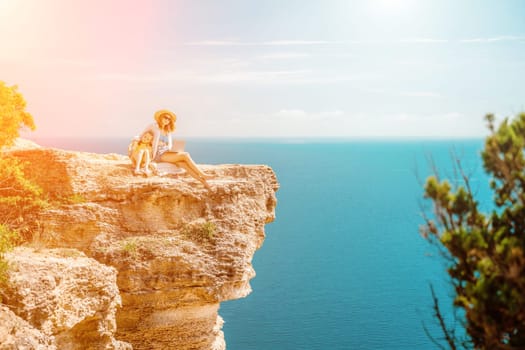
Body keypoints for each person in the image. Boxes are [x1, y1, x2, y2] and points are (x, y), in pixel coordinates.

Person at [140, 109, 213, 190]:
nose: (167, 120)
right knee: (185, 155)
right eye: (165, 117)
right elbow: (141, 136)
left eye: (169, 119)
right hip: (158, 154)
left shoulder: (168, 130)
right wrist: (145, 144)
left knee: (183, 164)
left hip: (167, 152)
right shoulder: (153, 126)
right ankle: (203, 174)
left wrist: (171, 148)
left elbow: (169, 144)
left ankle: (203, 182)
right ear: (160, 117)